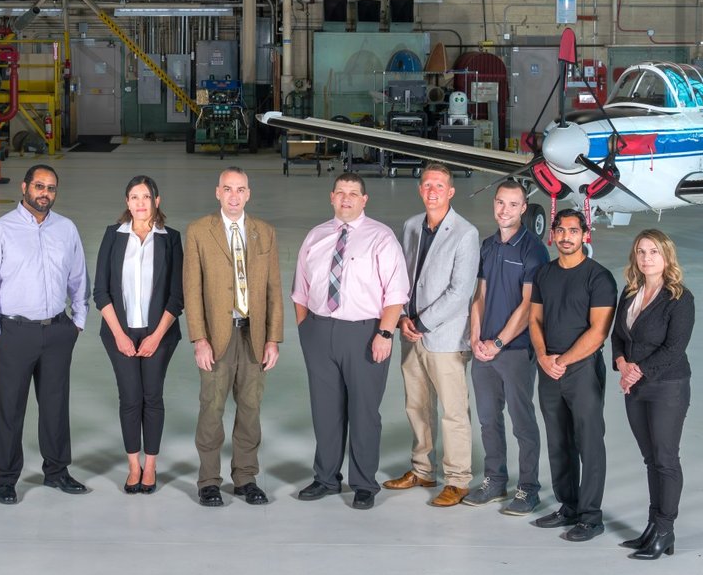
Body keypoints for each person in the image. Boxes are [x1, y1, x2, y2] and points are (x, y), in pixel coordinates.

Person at [291, 173, 409, 510]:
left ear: (364, 200)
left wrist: (385, 333)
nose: (346, 199)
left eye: (353, 193)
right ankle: (326, 478)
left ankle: (363, 483)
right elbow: (300, 289)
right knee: (325, 411)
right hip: (319, 331)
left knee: (363, 411)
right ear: (332, 197)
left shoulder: (381, 238)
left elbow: (396, 292)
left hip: (365, 333)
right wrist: (306, 331)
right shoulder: (316, 236)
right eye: (341, 193)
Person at [0, 164, 90, 504]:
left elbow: (79, 279)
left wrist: (77, 322)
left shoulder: (66, 229)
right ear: (24, 187)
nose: (45, 193)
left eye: (51, 188)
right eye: (39, 186)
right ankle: (6, 477)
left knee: (55, 405)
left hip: (57, 331)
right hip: (14, 332)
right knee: (9, 408)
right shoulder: (0, 231)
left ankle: (56, 471)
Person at [182, 166, 284, 507]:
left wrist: (273, 339)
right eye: (228, 189)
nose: (234, 196)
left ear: (249, 194)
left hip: (253, 336)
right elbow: (192, 290)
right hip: (217, 336)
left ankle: (245, 478)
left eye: (240, 189)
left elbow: (273, 290)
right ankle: (209, 480)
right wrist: (199, 338)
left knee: (250, 410)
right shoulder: (199, 231)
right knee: (212, 410)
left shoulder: (264, 232)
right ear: (217, 192)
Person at [386, 163, 481, 508]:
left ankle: (457, 479)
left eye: (439, 186)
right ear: (420, 189)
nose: (432, 191)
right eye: (427, 185)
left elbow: (460, 292)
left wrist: (422, 323)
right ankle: (422, 469)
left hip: (443, 337)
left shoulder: (465, 233)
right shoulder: (411, 226)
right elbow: (398, 277)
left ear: (450, 191)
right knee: (416, 405)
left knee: (453, 410)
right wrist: (400, 319)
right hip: (410, 334)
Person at [528, 208, 618, 542]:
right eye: (561, 231)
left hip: (581, 369)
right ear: (552, 234)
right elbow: (534, 320)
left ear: (585, 235)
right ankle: (568, 507)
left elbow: (598, 333)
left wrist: (562, 360)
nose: (566, 237)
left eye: (573, 231)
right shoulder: (544, 274)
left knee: (589, 442)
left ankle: (591, 518)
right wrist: (542, 356)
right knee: (558, 441)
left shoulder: (599, 278)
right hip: (548, 367)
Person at [93, 175, 185, 494]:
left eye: (146, 197)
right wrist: (119, 334)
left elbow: (176, 296)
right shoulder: (113, 236)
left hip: (159, 332)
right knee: (130, 398)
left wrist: (157, 336)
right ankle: (134, 465)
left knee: (152, 397)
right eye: (134, 197)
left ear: (156, 202)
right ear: (127, 202)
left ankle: (152, 465)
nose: (140, 203)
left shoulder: (170, 239)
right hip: (120, 331)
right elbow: (101, 292)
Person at [467, 179, 550, 515]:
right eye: (500, 202)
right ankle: (495, 480)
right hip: (483, 350)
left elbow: (529, 305)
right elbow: (480, 296)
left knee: (521, 420)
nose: (505, 210)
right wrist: (475, 339)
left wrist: (498, 342)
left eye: (513, 205)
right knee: (488, 419)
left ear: (523, 209)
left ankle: (528, 488)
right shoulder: (488, 246)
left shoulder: (533, 249)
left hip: (514, 351)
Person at [611, 230, 695, 561]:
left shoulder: (679, 298)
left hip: (667, 386)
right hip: (636, 385)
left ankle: (665, 529)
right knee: (650, 459)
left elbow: (675, 348)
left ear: (666, 257)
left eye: (654, 252)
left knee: (665, 458)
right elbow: (618, 335)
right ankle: (652, 526)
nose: (647, 258)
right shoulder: (630, 291)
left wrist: (637, 370)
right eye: (641, 252)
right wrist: (620, 362)